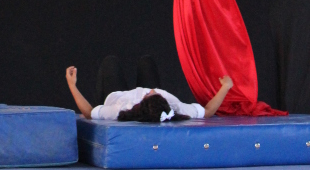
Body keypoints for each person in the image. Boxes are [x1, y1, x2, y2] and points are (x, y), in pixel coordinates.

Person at [65, 56, 233, 121]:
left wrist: (72, 85)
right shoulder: (173, 105)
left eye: (150, 94)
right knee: (146, 63)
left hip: (116, 94)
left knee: (110, 63)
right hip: (150, 106)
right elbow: (208, 111)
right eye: (155, 93)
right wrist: (225, 87)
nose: (150, 91)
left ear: (141, 102)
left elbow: (88, 112)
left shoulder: (121, 109)